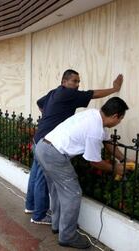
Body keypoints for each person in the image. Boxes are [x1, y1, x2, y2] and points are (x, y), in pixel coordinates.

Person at [25, 69, 123, 225]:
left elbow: (40, 102)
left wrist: (51, 116)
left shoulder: (55, 92)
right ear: (64, 82)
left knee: (35, 175)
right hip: (48, 140)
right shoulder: (69, 94)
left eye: (79, 81)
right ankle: (39, 215)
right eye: (74, 81)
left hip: (41, 137)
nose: (77, 84)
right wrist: (114, 89)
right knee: (42, 179)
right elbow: (93, 94)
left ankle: (30, 207)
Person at [35, 97, 130, 249]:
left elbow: (107, 143)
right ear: (115, 116)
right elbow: (94, 161)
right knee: (73, 194)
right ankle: (67, 236)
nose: (119, 122)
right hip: (54, 154)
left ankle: (58, 225)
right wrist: (116, 168)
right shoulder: (95, 130)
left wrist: (123, 159)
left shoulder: (94, 115)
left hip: (43, 147)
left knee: (58, 191)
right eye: (121, 119)